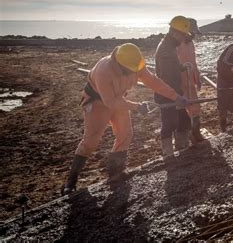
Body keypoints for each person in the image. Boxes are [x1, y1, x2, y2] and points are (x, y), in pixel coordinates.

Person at [61, 43, 187, 195]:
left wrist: (175, 96)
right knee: (90, 141)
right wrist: (136, 106)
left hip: (120, 99)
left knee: (125, 134)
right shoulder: (104, 70)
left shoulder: (134, 63)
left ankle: (115, 173)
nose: (133, 72)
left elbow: (152, 81)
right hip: (97, 102)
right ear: (119, 65)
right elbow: (110, 102)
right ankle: (71, 181)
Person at [155, 16, 194, 159]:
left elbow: (173, 67)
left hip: (173, 92)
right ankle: (168, 152)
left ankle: (182, 146)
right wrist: (175, 96)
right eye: (183, 35)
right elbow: (166, 77)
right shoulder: (165, 50)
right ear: (175, 32)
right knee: (169, 123)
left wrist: (182, 67)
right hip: (166, 93)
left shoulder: (170, 46)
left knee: (183, 121)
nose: (184, 38)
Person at [176, 18, 204, 145]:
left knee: (195, 107)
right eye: (191, 33)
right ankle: (182, 136)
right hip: (179, 82)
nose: (192, 36)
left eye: (193, 34)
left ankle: (196, 131)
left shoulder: (190, 44)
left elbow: (194, 62)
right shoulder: (176, 46)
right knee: (181, 109)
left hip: (190, 81)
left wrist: (197, 79)